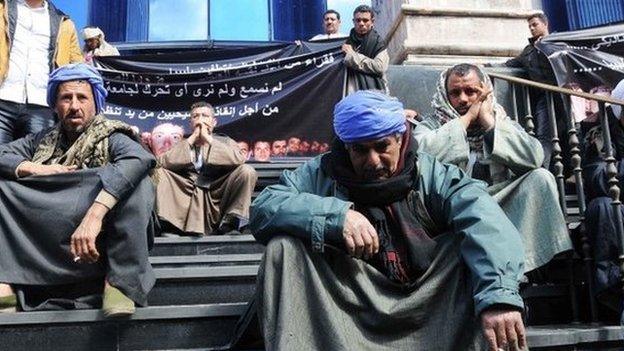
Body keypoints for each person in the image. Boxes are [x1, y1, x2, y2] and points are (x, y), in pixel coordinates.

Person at [250, 90, 527, 350]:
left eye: (382, 146)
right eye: (360, 150)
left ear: (400, 138)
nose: (372, 160)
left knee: (467, 243)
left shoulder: (434, 174)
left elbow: (484, 218)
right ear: (346, 148)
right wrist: (336, 216)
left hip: (429, 298)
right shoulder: (320, 173)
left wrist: (499, 297)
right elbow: (265, 207)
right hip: (347, 299)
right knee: (283, 248)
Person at [0, 63, 156, 317]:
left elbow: (139, 160)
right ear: (55, 105)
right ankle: (3, 284)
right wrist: (33, 168)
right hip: (50, 231)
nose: (74, 106)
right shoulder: (40, 140)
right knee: (3, 184)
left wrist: (94, 215)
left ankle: (119, 286)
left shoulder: (113, 136)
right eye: (66, 98)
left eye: (82, 97)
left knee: (137, 182)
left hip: (98, 230)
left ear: (95, 102)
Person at [413, 63, 572, 272]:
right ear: (445, 94)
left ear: (485, 92)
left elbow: (534, 157)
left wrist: (489, 122)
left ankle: (514, 268)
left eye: (471, 92)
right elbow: (421, 158)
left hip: (497, 202)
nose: (463, 99)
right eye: (455, 93)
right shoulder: (431, 126)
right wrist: (466, 119)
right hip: (455, 207)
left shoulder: (501, 120)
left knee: (541, 177)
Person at [155, 101, 257, 236]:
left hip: (217, 189)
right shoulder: (182, 143)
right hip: (187, 189)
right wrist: (192, 139)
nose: (200, 120)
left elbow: (238, 159)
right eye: (195, 116)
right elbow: (162, 162)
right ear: (190, 123)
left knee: (247, 171)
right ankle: (171, 226)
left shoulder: (226, 141)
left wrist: (208, 139)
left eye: (205, 116)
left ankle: (231, 224)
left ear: (214, 122)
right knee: (158, 172)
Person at [0, 0, 83, 144]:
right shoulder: (2, 9)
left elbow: (77, 66)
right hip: (3, 97)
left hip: (42, 104)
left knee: (38, 160)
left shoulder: (64, 23)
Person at [582, 79, 624, 324]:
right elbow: (597, 179)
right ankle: (617, 292)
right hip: (617, 217)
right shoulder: (600, 134)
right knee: (604, 206)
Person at [497, 13, 557, 168]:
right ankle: (542, 171)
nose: (531, 28)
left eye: (535, 24)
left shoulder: (558, 42)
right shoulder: (529, 50)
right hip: (544, 97)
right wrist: (484, 66)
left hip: (564, 95)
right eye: (529, 26)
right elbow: (511, 63)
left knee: (573, 132)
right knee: (544, 135)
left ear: (545, 24)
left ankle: (575, 177)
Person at [342, 5, 389, 93]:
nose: (361, 23)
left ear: (372, 22)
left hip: (374, 93)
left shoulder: (378, 43)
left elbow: (379, 67)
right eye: (358, 20)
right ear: (353, 21)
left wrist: (352, 56)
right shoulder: (346, 43)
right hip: (350, 92)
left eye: (365, 20)